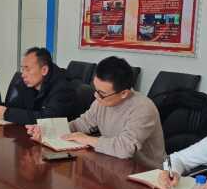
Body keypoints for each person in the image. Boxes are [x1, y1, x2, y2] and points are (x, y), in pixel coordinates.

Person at [27, 56, 165, 168]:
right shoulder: (102, 101)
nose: (96, 96)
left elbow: (125, 148)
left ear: (124, 93)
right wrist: (47, 130)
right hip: (114, 164)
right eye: (96, 90)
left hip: (146, 174)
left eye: (102, 93)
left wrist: (88, 139)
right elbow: (81, 124)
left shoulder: (143, 108)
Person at [0, 47, 76, 125]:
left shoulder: (63, 88)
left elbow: (47, 119)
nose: (23, 75)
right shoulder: (27, 84)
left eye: (27, 69)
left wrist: (6, 114)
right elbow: (16, 107)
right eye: (22, 69)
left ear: (44, 70)